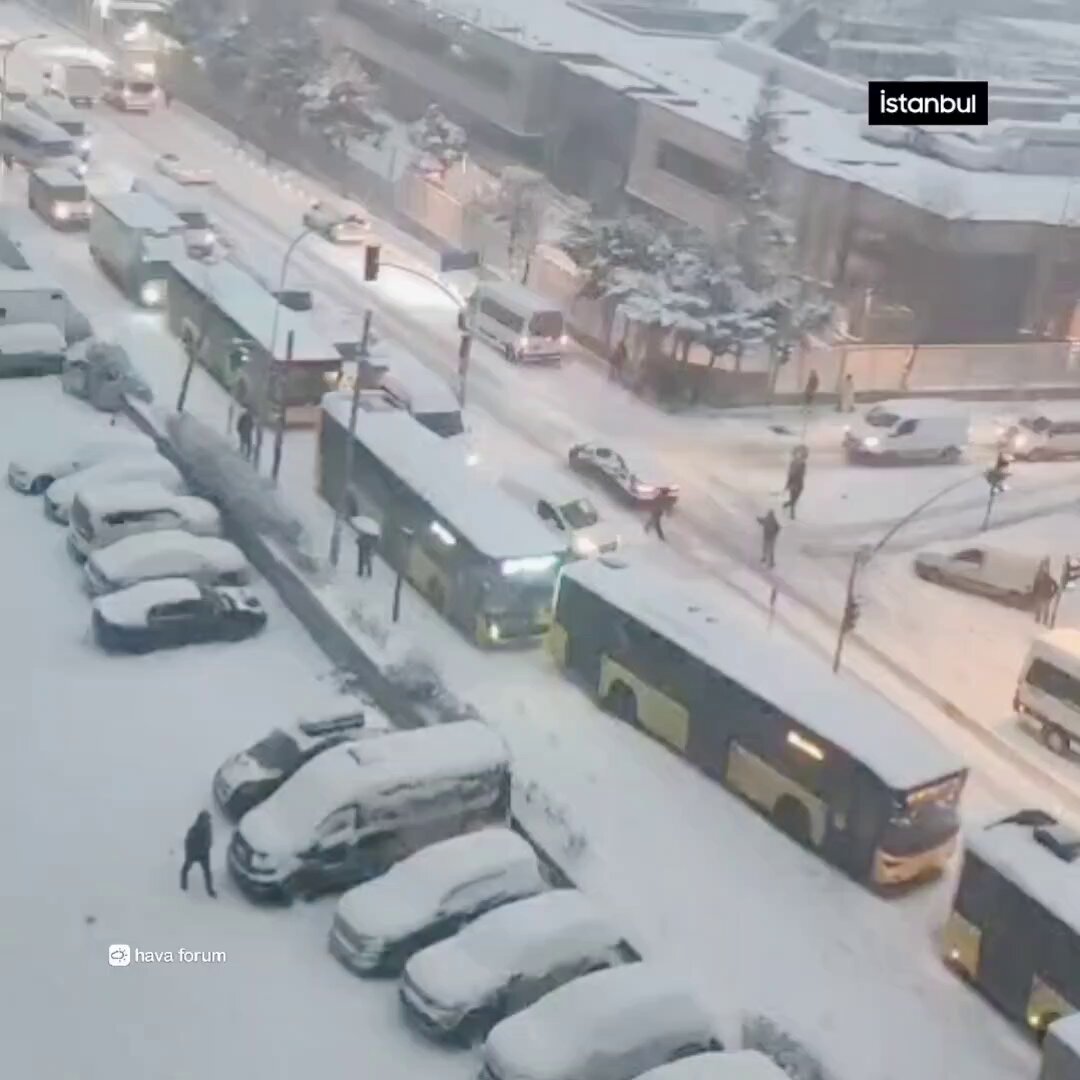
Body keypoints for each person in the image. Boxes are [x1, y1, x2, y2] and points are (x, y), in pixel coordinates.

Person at [180, 811, 216, 897]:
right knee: (187, 869)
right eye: (206, 820)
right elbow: (188, 843)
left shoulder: (206, 828)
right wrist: (189, 855)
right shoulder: (194, 831)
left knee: (206, 872)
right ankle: (184, 887)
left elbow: (209, 841)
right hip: (195, 853)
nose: (207, 822)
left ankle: (209, 890)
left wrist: (207, 848)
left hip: (202, 854)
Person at [783, 453, 807, 520]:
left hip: (800, 485)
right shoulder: (793, 464)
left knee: (795, 500)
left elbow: (802, 474)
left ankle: (786, 504)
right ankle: (792, 514)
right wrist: (787, 485)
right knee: (793, 499)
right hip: (793, 484)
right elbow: (790, 474)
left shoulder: (803, 464)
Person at [1034, 562, 1058, 626]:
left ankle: (1038, 619)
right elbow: (1056, 587)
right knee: (1045, 609)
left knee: (1040, 608)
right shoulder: (1050, 579)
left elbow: (1036, 586)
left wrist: (1035, 593)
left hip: (1042, 596)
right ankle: (1043, 621)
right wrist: (1052, 594)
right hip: (1046, 596)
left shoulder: (1041, 578)